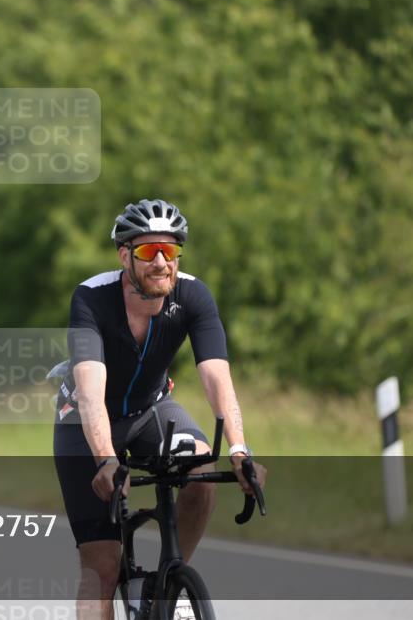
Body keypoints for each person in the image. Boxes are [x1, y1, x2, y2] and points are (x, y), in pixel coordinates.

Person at [53, 199, 267, 620]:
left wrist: (240, 449)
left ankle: (170, 585)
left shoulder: (193, 296)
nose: (161, 263)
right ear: (125, 256)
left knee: (202, 474)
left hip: (152, 410)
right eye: (149, 252)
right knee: (102, 567)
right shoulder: (92, 299)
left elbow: (217, 379)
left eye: (170, 252)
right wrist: (106, 460)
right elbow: (92, 395)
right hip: (84, 421)